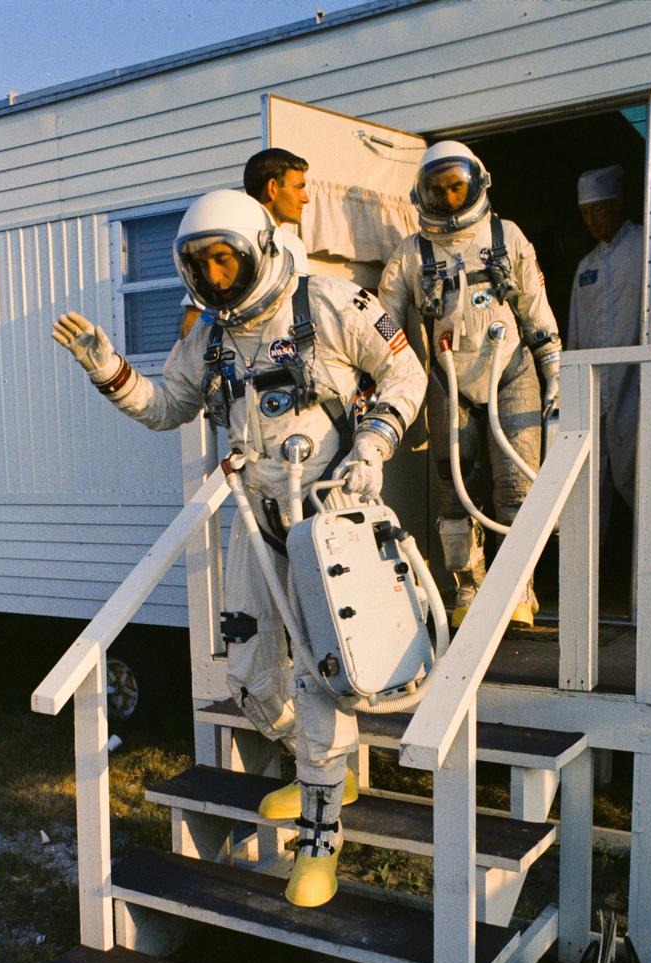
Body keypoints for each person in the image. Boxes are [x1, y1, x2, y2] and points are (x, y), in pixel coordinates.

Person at [53, 189, 427, 910]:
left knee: (324, 673)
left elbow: (405, 373)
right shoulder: (212, 338)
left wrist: (374, 445)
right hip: (255, 518)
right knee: (252, 674)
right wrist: (109, 369)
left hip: (328, 516)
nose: (217, 277)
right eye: (203, 265)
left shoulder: (327, 302)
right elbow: (167, 407)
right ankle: (322, 765)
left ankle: (321, 833)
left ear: (258, 248)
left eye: (226, 260)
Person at [379, 141, 562, 628]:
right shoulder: (411, 254)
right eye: (437, 190)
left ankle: (517, 586)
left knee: (517, 488)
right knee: (454, 492)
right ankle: (468, 588)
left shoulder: (506, 235)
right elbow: (385, 327)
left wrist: (554, 376)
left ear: (476, 184)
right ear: (423, 196)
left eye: (455, 186)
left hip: (512, 371)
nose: (448, 198)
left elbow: (536, 312)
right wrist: (386, 383)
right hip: (448, 378)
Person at [568, 164, 643, 541]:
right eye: (584, 212)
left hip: (637, 390)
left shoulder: (647, 248)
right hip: (595, 397)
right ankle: (586, 587)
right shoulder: (586, 267)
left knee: (639, 485)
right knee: (590, 488)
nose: (591, 219)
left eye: (598, 208)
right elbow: (576, 339)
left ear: (617, 203)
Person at [179, 148, 310, 338]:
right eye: (299, 187)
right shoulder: (227, 242)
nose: (305, 198)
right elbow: (193, 322)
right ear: (273, 188)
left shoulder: (293, 245)